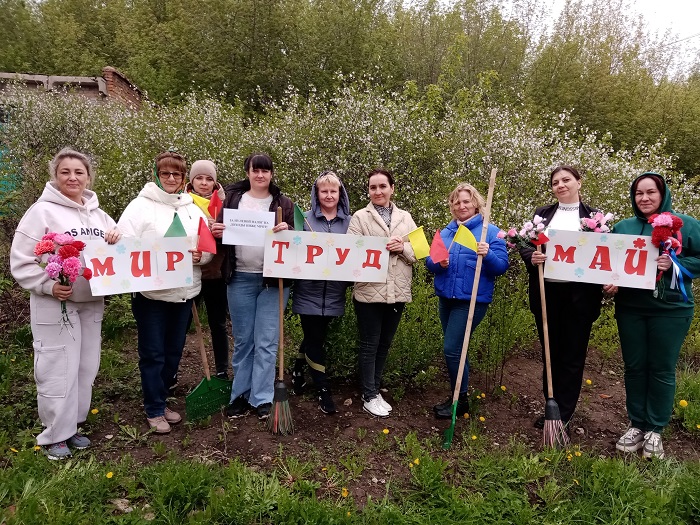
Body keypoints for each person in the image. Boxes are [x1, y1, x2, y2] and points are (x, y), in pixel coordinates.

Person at [10, 148, 121, 459]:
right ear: (55, 176)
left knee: (85, 367)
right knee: (58, 367)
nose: (73, 177)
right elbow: (21, 261)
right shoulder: (41, 212)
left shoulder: (99, 215)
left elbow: (121, 252)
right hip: (56, 304)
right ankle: (53, 435)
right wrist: (48, 285)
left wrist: (119, 236)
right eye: (65, 172)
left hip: (91, 302)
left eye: (79, 172)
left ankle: (72, 426)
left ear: (88, 177)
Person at [607, 173, 700, 459]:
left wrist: (674, 263)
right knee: (634, 367)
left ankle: (655, 429)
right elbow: (610, 262)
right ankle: (636, 424)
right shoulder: (623, 227)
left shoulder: (685, 224)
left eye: (651, 192)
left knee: (661, 368)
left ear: (663, 194)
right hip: (631, 308)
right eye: (639, 193)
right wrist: (609, 281)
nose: (644, 198)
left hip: (671, 309)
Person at [117, 151, 211, 434]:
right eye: (165, 173)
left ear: (183, 178)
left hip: (184, 293)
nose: (171, 178)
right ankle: (154, 408)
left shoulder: (193, 209)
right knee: (153, 353)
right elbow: (123, 244)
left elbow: (206, 246)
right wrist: (113, 238)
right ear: (157, 175)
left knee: (173, 352)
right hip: (152, 296)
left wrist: (201, 257)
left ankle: (161, 399)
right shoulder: (139, 207)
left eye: (176, 174)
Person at [518, 165, 603, 428]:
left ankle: (564, 414)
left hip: (580, 296)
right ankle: (551, 407)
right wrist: (531, 257)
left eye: (566, 180)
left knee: (572, 355)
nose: (561, 185)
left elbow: (605, 254)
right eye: (556, 182)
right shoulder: (543, 214)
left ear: (579, 182)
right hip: (547, 294)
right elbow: (525, 243)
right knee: (550, 353)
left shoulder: (595, 218)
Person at [211, 153, 294, 420]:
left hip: (273, 282)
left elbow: (296, 241)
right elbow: (220, 238)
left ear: (271, 174)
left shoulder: (283, 203)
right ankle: (240, 394)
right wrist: (217, 233)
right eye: (255, 170)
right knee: (244, 340)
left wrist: (288, 230)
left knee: (267, 342)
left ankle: (262, 397)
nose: (260, 175)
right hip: (240, 278)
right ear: (247, 173)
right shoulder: (233, 200)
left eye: (265, 171)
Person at [426, 183, 508, 419]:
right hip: (446, 299)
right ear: (452, 206)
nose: (461, 206)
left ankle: (460, 400)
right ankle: (459, 396)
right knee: (458, 349)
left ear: (476, 204)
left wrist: (488, 253)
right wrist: (438, 263)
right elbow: (430, 263)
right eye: (457, 202)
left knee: (452, 348)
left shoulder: (490, 232)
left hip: (471, 301)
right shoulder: (446, 232)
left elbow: (501, 267)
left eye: (466, 201)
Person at [347, 168, 418, 417]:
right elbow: (351, 251)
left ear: (392, 189)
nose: (378, 191)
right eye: (373, 187)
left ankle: (375, 390)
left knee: (384, 344)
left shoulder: (405, 217)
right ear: (368, 191)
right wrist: (379, 247)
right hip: (369, 291)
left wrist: (403, 248)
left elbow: (420, 251)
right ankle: (369, 395)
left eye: (382, 186)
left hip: (397, 292)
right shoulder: (359, 217)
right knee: (370, 344)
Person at [290, 171, 352, 414]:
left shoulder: (350, 223)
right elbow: (292, 248)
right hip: (308, 290)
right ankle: (323, 389)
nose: (328, 195)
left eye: (333, 191)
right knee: (315, 339)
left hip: (335, 292)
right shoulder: (304, 220)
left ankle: (297, 368)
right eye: (324, 191)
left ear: (340, 194)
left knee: (315, 336)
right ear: (317, 194)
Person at [185, 160, 229, 379]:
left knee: (218, 323)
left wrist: (220, 232)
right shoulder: (182, 203)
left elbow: (235, 237)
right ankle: (171, 374)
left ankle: (222, 370)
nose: (204, 183)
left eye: (209, 179)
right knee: (182, 324)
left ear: (215, 182)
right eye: (199, 178)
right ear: (191, 181)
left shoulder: (225, 204)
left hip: (215, 272)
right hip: (188, 272)